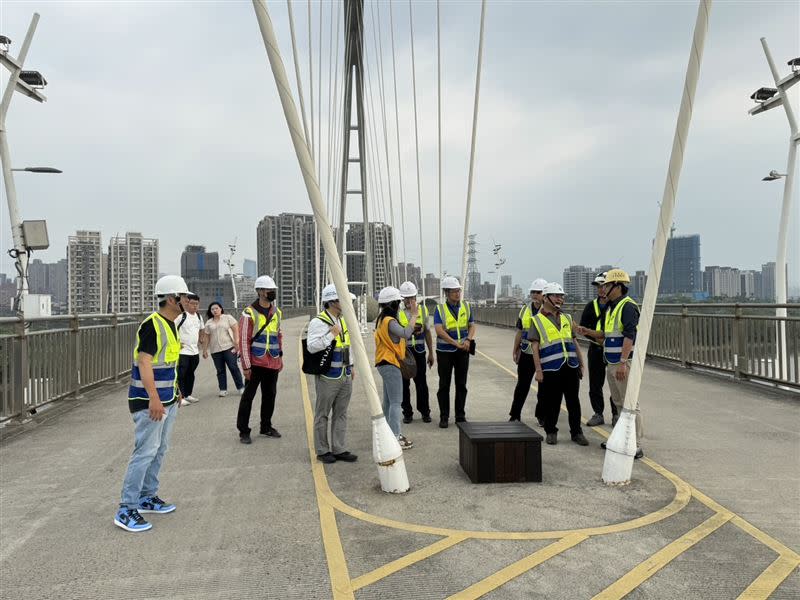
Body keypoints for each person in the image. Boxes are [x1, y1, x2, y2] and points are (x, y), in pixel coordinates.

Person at [114, 275, 188, 533]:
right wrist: (155, 399)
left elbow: (167, 363)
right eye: (184, 297)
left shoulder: (171, 325)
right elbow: (145, 362)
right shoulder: (152, 325)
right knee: (145, 451)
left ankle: (147, 496)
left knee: (159, 449)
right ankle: (126, 508)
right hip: (149, 402)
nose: (188, 301)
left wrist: (176, 391)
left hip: (167, 399)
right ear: (171, 299)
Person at [580, 268, 643, 459]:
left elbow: (629, 336)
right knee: (618, 403)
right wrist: (585, 331)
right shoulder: (611, 307)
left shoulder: (627, 306)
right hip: (612, 362)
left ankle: (636, 444)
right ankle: (619, 439)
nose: (603, 288)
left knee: (630, 403)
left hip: (623, 362)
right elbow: (605, 335)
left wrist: (623, 362)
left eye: (606, 285)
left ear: (618, 286)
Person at [530, 282, 588, 446]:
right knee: (552, 402)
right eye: (556, 295)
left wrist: (581, 364)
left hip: (570, 366)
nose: (560, 299)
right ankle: (550, 431)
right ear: (546, 298)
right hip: (550, 367)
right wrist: (538, 370)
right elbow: (535, 346)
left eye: (561, 296)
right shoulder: (537, 320)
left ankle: (577, 432)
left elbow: (574, 342)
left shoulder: (567, 318)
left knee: (573, 402)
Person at [307, 284, 358, 463]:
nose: (346, 303)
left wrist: (351, 366)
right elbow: (311, 347)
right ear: (331, 301)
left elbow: (347, 345)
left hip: (344, 374)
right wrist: (330, 336)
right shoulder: (318, 322)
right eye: (342, 299)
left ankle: (339, 448)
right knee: (322, 413)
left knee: (341, 412)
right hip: (328, 376)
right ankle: (322, 450)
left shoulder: (343, 320)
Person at [237, 276, 283, 445]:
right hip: (255, 363)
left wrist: (281, 357)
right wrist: (246, 366)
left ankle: (266, 426)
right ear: (260, 292)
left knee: (270, 396)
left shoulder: (276, 312)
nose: (272, 293)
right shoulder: (248, 313)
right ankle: (243, 430)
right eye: (269, 290)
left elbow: (278, 335)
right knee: (248, 397)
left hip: (272, 360)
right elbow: (243, 341)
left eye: (273, 290)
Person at [375, 286, 416, 449]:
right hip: (390, 363)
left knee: (388, 402)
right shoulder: (389, 321)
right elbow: (406, 333)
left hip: (384, 363)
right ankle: (396, 437)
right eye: (398, 302)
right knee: (395, 403)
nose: (400, 305)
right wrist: (414, 315)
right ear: (393, 304)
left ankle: (386, 434)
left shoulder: (381, 320)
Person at [433, 276, 475, 428]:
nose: (457, 294)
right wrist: (455, 343)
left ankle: (460, 415)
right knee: (444, 384)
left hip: (462, 351)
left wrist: (468, 340)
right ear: (446, 293)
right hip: (444, 352)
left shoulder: (466, 307)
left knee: (461, 384)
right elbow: (439, 330)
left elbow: (472, 325)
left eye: (458, 290)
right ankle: (444, 416)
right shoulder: (439, 309)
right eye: (454, 291)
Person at [578, 272, 618, 427]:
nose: (601, 290)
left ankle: (616, 413)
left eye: (604, 286)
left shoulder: (616, 305)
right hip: (596, 349)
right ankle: (598, 413)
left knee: (615, 383)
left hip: (614, 349)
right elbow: (584, 328)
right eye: (599, 287)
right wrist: (598, 339)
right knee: (595, 383)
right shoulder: (591, 306)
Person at [509, 278, 546, 422]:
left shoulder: (550, 310)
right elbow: (519, 331)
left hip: (543, 354)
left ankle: (541, 416)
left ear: (545, 294)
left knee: (543, 388)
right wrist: (515, 349)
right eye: (533, 292)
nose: (535, 295)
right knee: (522, 386)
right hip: (526, 353)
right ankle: (515, 415)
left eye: (538, 292)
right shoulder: (525, 309)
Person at [397, 281, 434, 424]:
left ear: (415, 297)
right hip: (404, 353)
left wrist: (431, 353)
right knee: (404, 384)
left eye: (411, 297)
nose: (408, 301)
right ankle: (407, 413)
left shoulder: (423, 311)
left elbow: (428, 333)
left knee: (421, 383)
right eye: (405, 298)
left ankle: (425, 412)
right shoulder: (398, 313)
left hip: (419, 352)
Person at [203, 302, 244, 397]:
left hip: (229, 347)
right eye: (212, 309)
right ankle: (223, 389)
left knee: (233, 367)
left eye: (216, 308)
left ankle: (241, 387)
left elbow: (235, 329)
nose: (214, 310)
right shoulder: (209, 322)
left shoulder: (228, 318)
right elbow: (207, 337)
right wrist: (205, 350)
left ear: (221, 309)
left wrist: (237, 343)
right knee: (220, 370)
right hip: (215, 350)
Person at [175, 293, 204, 406]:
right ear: (187, 303)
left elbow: (202, 329)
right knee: (181, 374)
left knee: (190, 373)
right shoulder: (181, 316)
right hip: (183, 351)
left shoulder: (198, 316)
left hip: (194, 351)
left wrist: (201, 338)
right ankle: (180, 397)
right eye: (192, 303)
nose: (194, 306)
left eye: (196, 304)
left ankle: (187, 394)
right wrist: (177, 343)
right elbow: (172, 328)